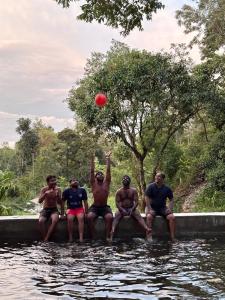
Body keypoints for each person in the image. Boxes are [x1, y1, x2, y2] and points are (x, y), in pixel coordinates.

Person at [110, 175, 151, 240]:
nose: (125, 179)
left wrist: (133, 208)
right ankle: (112, 231)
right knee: (116, 216)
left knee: (138, 215)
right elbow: (117, 203)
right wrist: (121, 209)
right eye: (124, 178)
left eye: (127, 178)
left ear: (129, 181)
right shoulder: (119, 191)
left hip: (131, 208)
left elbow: (136, 201)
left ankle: (146, 228)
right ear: (122, 181)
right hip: (122, 209)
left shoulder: (133, 190)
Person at [87, 152, 113, 241]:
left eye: (102, 174)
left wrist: (108, 159)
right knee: (89, 217)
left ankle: (107, 236)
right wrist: (92, 160)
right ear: (95, 177)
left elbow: (108, 171)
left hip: (105, 207)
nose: (100, 175)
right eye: (98, 174)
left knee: (109, 218)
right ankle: (93, 236)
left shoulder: (107, 183)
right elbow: (91, 171)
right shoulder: (93, 183)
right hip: (95, 207)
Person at [145, 171, 176, 241]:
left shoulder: (167, 189)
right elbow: (146, 197)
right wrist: (149, 209)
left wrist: (170, 208)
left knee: (172, 217)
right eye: (156, 176)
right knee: (149, 217)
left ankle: (172, 237)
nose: (156, 177)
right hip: (152, 207)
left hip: (162, 208)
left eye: (158, 176)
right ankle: (149, 237)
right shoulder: (150, 186)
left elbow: (171, 199)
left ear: (162, 179)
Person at [62, 178, 88, 242]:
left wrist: (86, 212)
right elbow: (62, 203)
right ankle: (70, 237)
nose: (75, 181)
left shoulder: (82, 190)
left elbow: (85, 202)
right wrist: (62, 213)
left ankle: (81, 238)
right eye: (73, 181)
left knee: (81, 218)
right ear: (70, 183)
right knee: (70, 219)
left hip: (79, 209)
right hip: (70, 209)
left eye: (76, 180)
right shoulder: (66, 191)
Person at [38, 175, 62, 241]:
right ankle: (44, 238)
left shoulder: (58, 189)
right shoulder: (44, 189)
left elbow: (60, 203)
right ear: (48, 182)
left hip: (54, 209)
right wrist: (45, 194)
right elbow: (39, 201)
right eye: (52, 181)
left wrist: (58, 196)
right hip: (45, 209)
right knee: (41, 221)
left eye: (55, 180)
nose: (54, 182)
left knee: (54, 220)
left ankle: (46, 239)